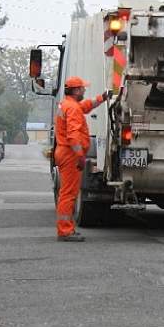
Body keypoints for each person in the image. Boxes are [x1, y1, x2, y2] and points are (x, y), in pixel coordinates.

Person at [54, 76, 109, 242]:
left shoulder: (66, 104)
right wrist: (80, 156)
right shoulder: (72, 108)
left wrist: (101, 98)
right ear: (76, 90)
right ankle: (65, 231)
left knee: (67, 193)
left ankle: (66, 229)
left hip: (64, 152)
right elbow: (73, 136)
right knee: (68, 194)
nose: (84, 90)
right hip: (70, 154)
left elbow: (85, 106)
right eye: (83, 88)